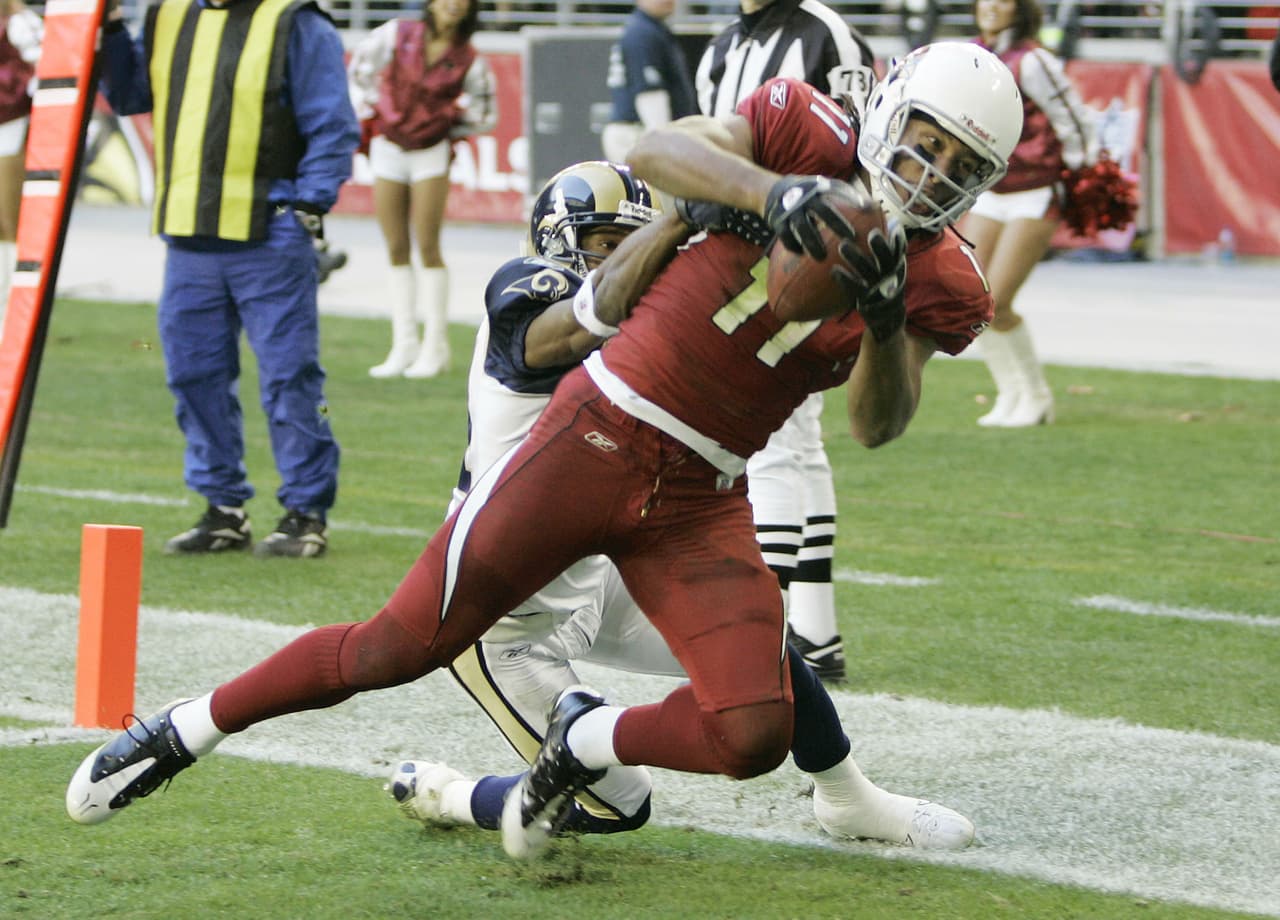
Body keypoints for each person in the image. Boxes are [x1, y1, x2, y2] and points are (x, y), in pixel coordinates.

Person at [66, 44, 1022, 865]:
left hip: (701, 490)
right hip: (597, 435)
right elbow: (658, 151)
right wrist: (777, 194)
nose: (931, 171)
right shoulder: (800, 129)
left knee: (753, 731)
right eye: (926, 139)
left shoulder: (944, 278)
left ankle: (586, 737)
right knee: (393, 649)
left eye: (959, 163)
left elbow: (877, 424)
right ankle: (185, 729)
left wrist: (886, 313)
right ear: (889, 109)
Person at [388, 160, 974, 849]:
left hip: (599, 563)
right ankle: (452, 795)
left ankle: (848, 796)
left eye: (636, 241)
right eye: (606, 243)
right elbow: (574, 333)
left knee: (760, 648)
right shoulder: (529, 297)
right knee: (620, 804)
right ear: (555, 239)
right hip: (507, 607)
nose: (625, 257)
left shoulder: (652, 318)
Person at [96, 0, 359, 558]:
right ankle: (223, 508)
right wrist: (112, 31)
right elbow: (130, 96)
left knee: (291, 377)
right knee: (194, 377)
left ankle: (306, 511)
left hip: (270, 233)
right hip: (187, 238)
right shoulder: (167, 13)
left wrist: (308, 207)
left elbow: (333, 123)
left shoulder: (295, 20)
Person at [695, 0, 877, 685]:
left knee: (767, 440)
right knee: (797, 443)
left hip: (802, 257)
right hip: (741, 255)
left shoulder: (824, 31)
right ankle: (815, 632)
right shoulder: (722, 47)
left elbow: (864, 150)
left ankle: (761, 647)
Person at [960, 0, 1097, 428]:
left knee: (998, 300)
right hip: (992, 189)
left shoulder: (1034, 61)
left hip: (1035, 191)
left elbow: (1074, 119)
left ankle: (1035, 396)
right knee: (970, 301)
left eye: (1003, 0)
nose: (990, 7)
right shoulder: (972, 55)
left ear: (1020, 10)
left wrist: (1083, 175)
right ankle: (1010, 393)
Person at [349, 0, 497, 379]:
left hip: (431, 151)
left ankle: (435, 345)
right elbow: (359, 70)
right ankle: (403, 344)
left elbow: (486, 113)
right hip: (387, 146)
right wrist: (375, 110)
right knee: (396, 246)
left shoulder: (469, 58)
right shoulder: (396, 33)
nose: (453, 4)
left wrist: (446, 123)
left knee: (428, 246)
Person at [601, 0, 698, 165]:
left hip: (637, 131)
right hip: (636, 132)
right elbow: (649, 95)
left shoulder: (650, 28)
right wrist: (663, 144)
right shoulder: (642, 33)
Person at [0, 0, 40, 336]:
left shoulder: (21, 23)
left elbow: (45, 71)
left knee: (11, 222)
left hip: (11, 129)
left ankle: (13, 308)